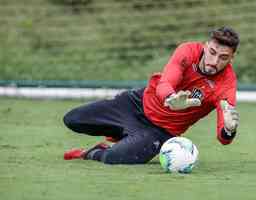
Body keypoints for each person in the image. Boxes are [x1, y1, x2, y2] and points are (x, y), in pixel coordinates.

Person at [63, 26, 240, 164]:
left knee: (112, 158)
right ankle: (125, 136)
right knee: (72, 119)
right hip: (136, 104)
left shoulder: (227, 85)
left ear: (231, 59)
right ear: (206, 46)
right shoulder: (188, 51)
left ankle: (92, 152)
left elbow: (223, 139)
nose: (214, 61)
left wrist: (229, 130)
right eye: (212, 52)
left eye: (223, 57)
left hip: (160, 132)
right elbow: (165, 82)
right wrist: (170, 98)